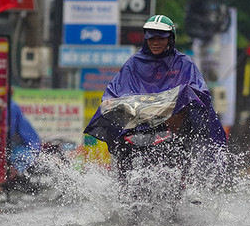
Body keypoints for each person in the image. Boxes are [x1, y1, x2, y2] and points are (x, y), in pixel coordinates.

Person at [84, 14, 228, 158]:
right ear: (146, 39)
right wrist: (112, 103)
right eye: (152, 38)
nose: (156, 43)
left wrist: (178, 101)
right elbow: (113, 93)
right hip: (137, 127)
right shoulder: (134, 63)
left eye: (161, 38)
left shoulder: (184, 63)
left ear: (170, 39)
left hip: (173, 129)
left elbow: (200, 93)